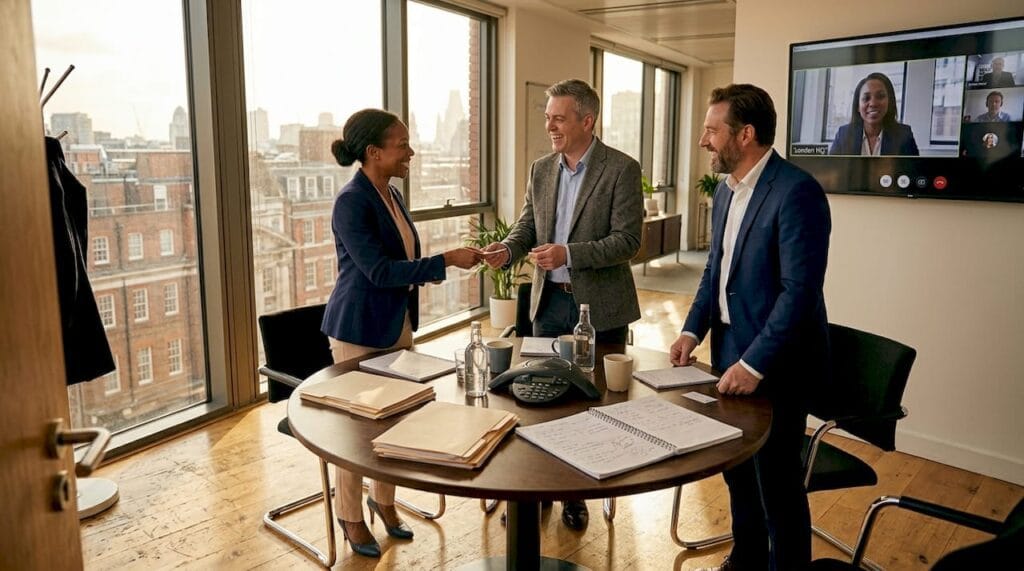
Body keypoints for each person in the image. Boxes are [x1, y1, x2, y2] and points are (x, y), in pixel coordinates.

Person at [677, 84, 831, 571]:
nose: (703, 140)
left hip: (776, 366)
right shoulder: (726, 190)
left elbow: (799, 292)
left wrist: (753, 364)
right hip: (728, 352)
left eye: (711, 130)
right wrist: (691, 331)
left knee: (778, 485)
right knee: (737, 473)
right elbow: (715, 270)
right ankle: (746, 559)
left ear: (745, 135)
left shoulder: (797, 191)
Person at [480, 78, 643, 530]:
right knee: (538, 398)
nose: (550, 126)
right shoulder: (541, 169)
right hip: (548, 305)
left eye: (559, 118)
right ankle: (538, 490)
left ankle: (577, 494)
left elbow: (628, 241)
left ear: (587, 121)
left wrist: (568, 254)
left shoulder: (622, 169)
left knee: (590, 403)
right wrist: (507, 249)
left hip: (601, 309)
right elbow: (528, 226)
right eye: (548, 117)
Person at [321, 108, 480, 557]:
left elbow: (402, 260)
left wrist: (435, 267)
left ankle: (384, 501)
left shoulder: (390, 193)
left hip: (396, 323)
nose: (411, 152)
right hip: (358, 329)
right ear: (374, 152)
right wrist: (445, 261)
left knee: (394, 421)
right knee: (357, 432)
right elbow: (378, 271)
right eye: (402, 145)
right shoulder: (351, 202)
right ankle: (351, 516)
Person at [828, 72, 919, 156]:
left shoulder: (904, 135)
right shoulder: (844, 135)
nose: (873, 103)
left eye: (880, 96)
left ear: (890, 101)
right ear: (858, 106)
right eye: (866, 98)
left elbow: (915, 168)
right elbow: (830, 168)